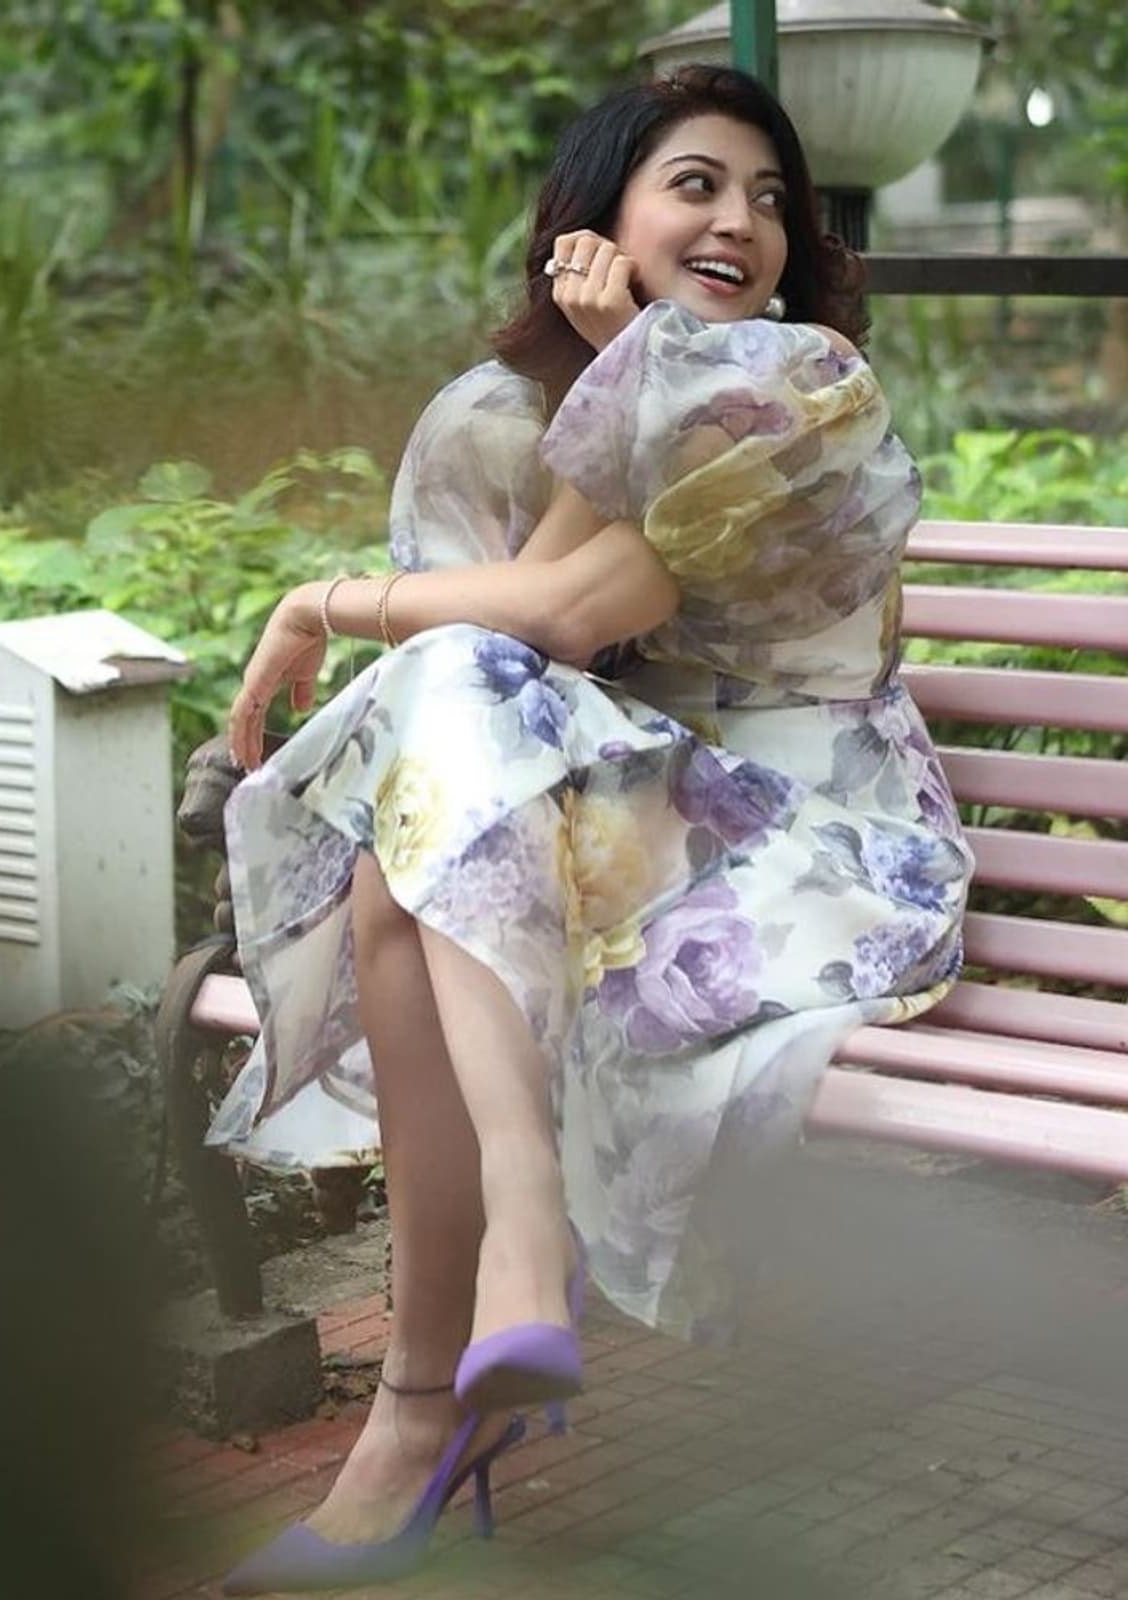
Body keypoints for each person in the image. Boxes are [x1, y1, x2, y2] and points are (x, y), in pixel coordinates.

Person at [210, 64, 972, 1594]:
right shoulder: (545, 407)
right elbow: (519, 637)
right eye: (696, 184)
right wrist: (620, 380)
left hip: (826, 851)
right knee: (417, 845)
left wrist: (319, 602)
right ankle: (462, 1344)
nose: (741, 220)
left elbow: (573, 607)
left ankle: (455, 1354)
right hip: (653, 820)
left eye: (769, 198)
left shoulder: (799, 383)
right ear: (596, 221)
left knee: (414, 849)